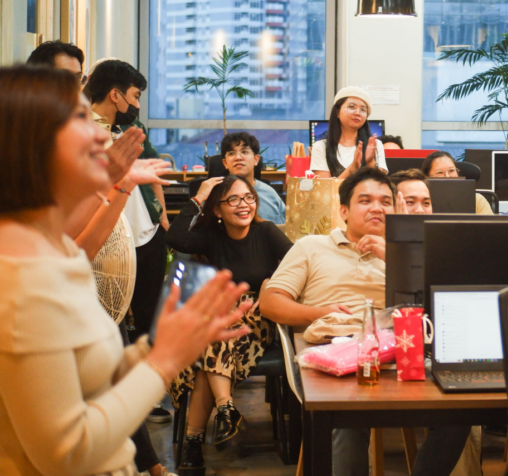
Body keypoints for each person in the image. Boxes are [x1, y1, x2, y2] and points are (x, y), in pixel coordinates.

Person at [0, 66, 250, 476]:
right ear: (30, 144)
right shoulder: (21, 281)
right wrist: (165, 360)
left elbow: (93, 380)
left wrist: (171, 342)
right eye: (80, 118)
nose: (102, 134)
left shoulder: (51, 247)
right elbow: (68, 452)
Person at [259, 167, 470, 476]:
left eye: (385, 201)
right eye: (365, 200)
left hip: (403, 352)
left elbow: (441, 308)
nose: (377, 207)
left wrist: (395, 255)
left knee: (459, 410)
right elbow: (270, 302)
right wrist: (322, 312)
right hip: (336, 356)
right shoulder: (311, 247)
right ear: (343, 210)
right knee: (349, 416)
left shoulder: (409, 253)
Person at [166, 175, 293, 472]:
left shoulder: (267, 232)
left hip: (255, 321)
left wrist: (271, 284)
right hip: (219, 319)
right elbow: (174, 238)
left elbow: (297, 264)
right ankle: (224, 410)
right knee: (210, 345)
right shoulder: (212, 235)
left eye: (248, 197)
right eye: (233, 199)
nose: (243, 205)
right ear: (218, 210)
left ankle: (194, 442)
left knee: (207, 347)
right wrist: (201, 196)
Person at [85, 61, 171, 357]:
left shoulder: (132, 127)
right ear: (114, 95)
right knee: (112, 319)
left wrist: (162, 216)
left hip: (147, 232)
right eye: (134, 96)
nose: (136, 104)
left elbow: (152, 168)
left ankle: (151, 394)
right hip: (107, 242)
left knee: (149, 314)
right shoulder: (82, 129)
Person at [311, 87, 387, 179]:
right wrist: (353, 167)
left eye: (363, 110)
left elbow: (380, 185)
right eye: (351, 106)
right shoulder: (321, 146)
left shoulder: (376, 145)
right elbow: (325, 190)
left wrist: (370, 162)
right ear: (337, 112)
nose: (358, 113)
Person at [215, 131, 286, 224]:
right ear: (225, 163)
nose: (238, 157)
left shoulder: (270, 194)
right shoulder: (215, 194)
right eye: (231, 153)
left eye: (244, 152)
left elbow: (287, 230)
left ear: (256, 159)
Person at [422, 150, 494, 215]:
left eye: (451, 171)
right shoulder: (421, 203)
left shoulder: (477, 200)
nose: (447, 177)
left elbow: (490, 229)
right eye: (440, 172)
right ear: (426, 177)